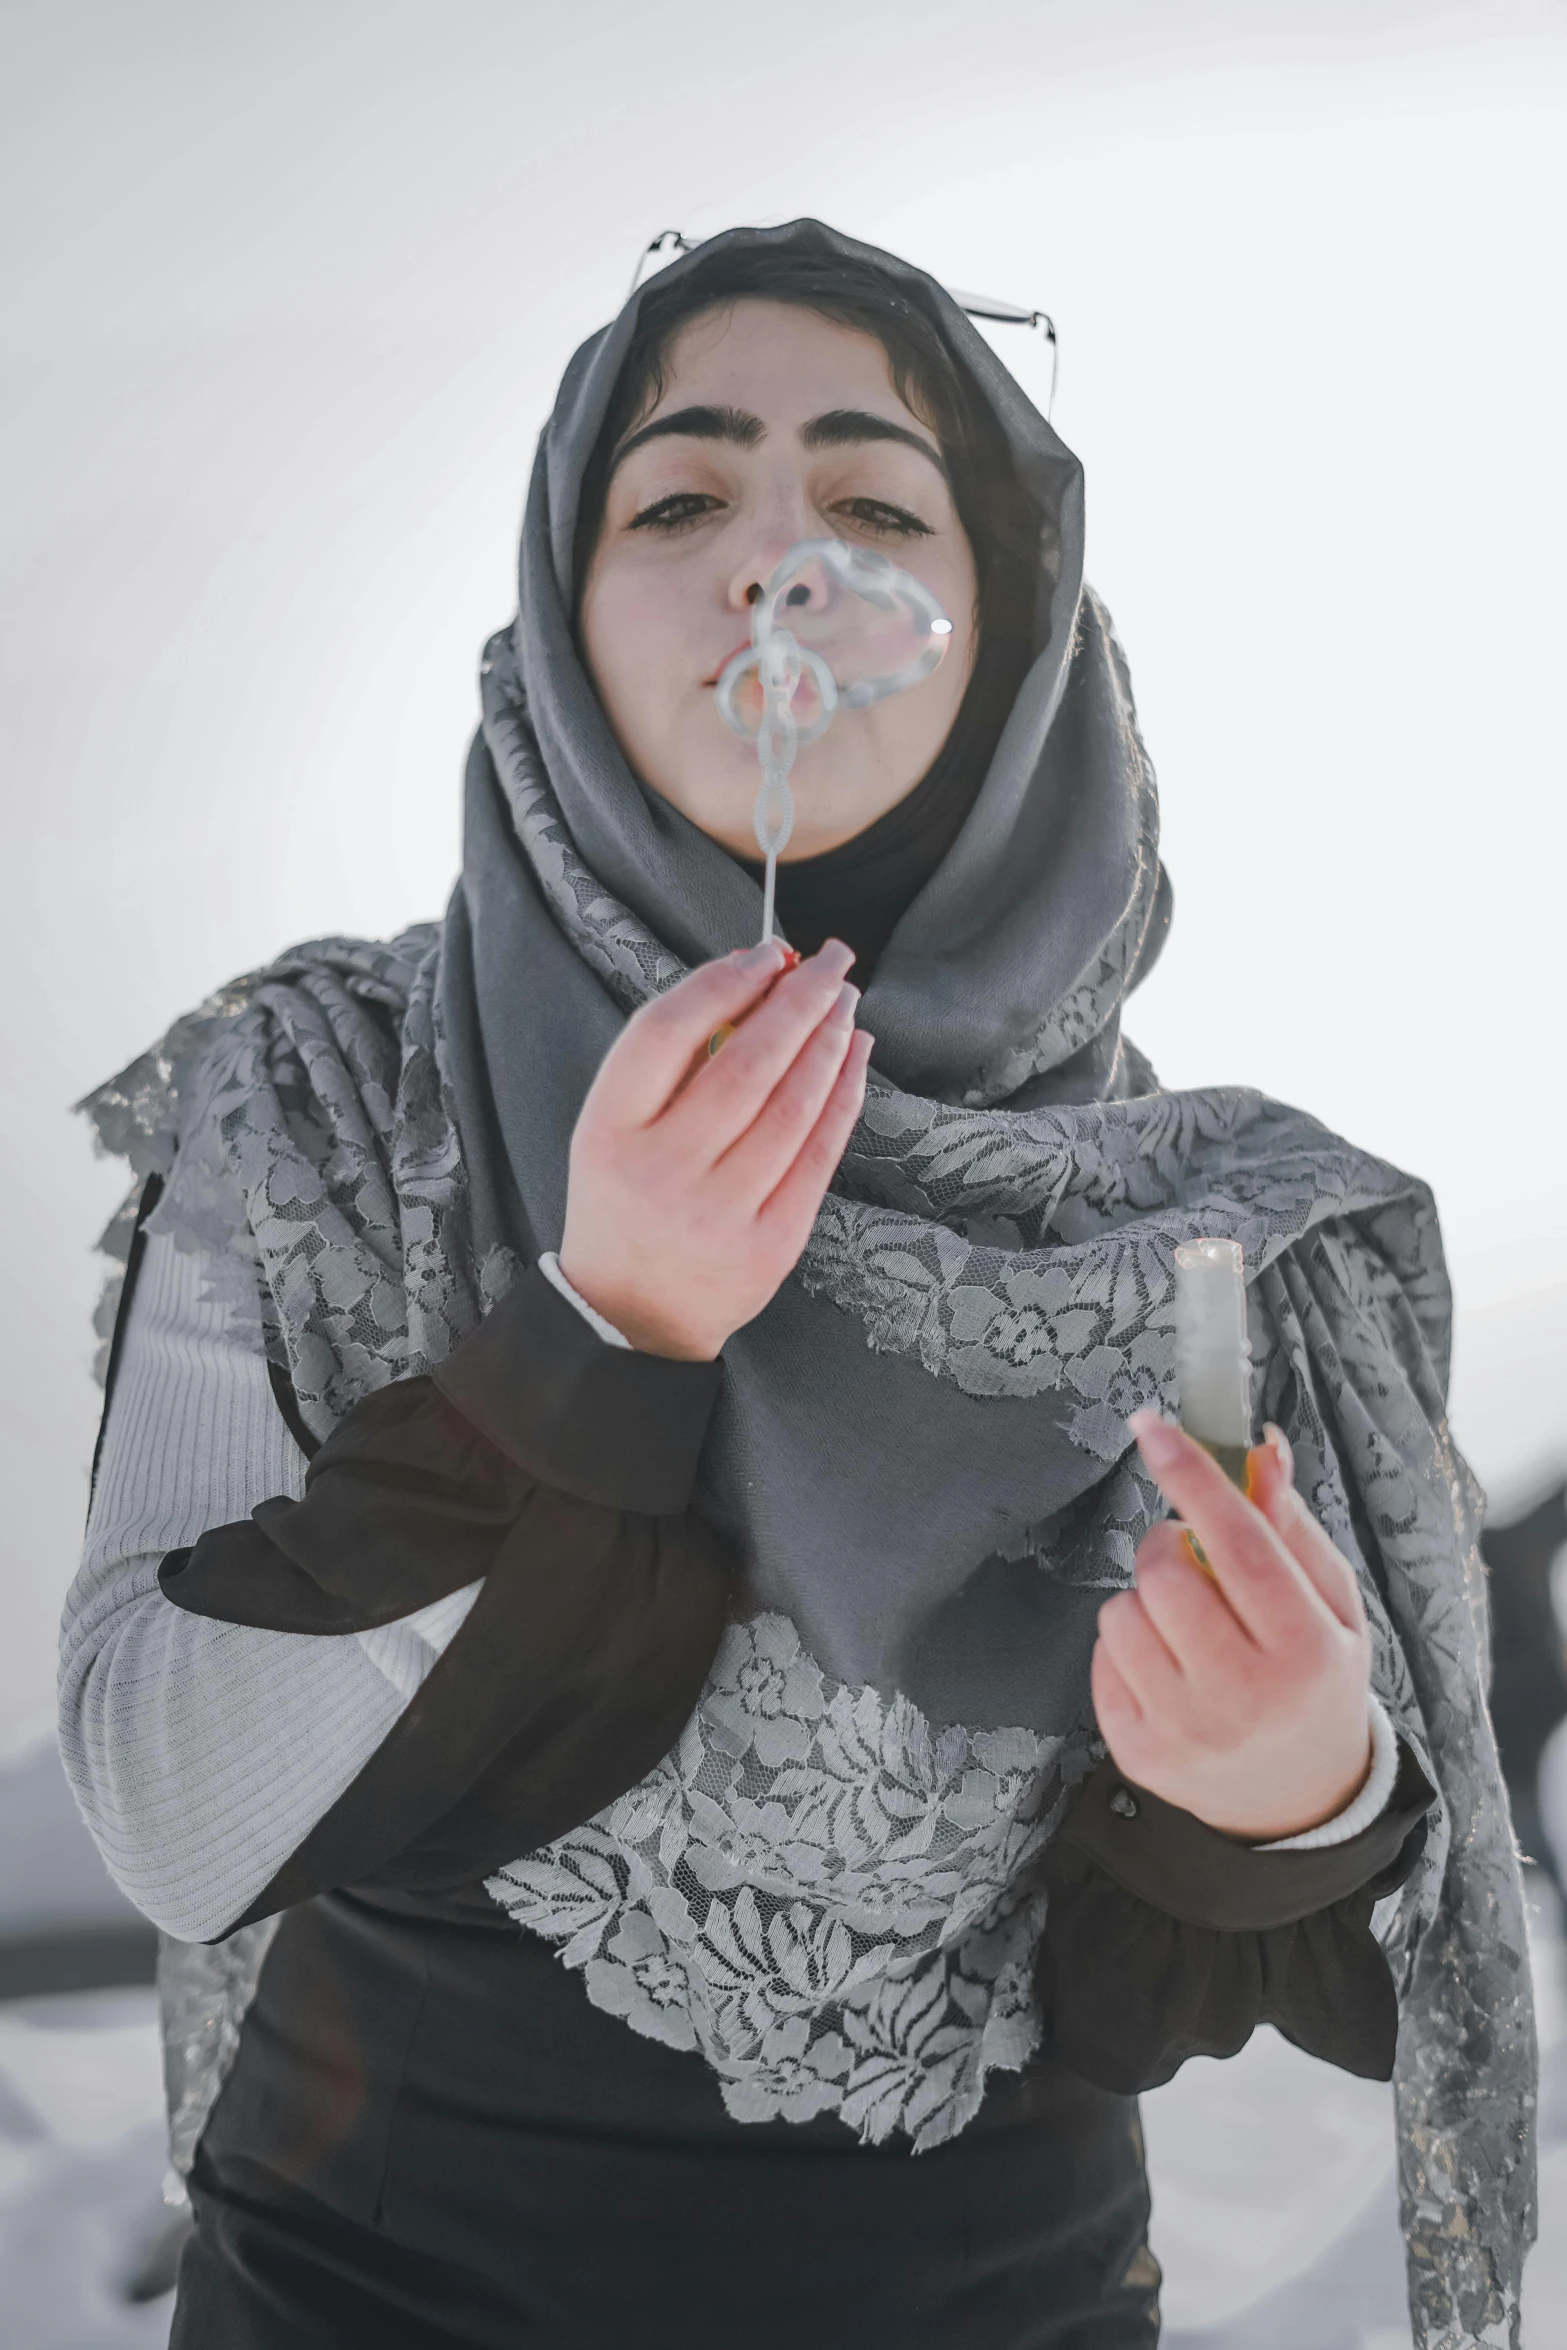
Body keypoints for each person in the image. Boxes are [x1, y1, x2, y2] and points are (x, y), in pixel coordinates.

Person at [62, 221, 1534, 2348]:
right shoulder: (323, 1099)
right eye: (678, 498)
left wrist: (1290, 1785)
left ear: (1013, 628)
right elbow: (171, 1802)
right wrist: (596, 1338)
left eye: (872, 503)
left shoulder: (1210, 1236)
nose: (782, 567)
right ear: (558, 621)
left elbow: (1191, 1985)